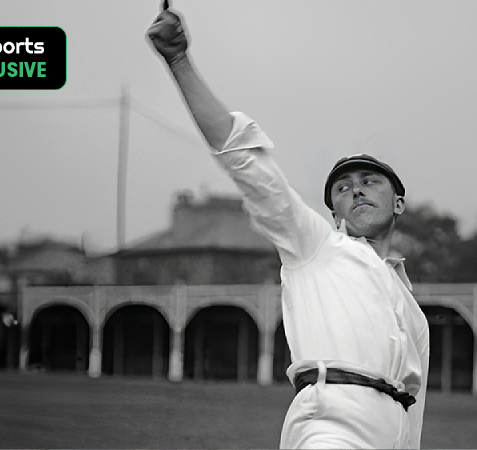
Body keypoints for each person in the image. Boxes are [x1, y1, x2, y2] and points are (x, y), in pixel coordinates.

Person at [147, 2, 429, 448]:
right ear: (333, 215)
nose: (355, 190)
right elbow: (248, 163)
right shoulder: (316, 248)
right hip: (330, 426)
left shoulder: (410, 306)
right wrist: (179, 60)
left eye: (369, 181)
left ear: (398, 202)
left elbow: (414, 402)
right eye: (342, 188)